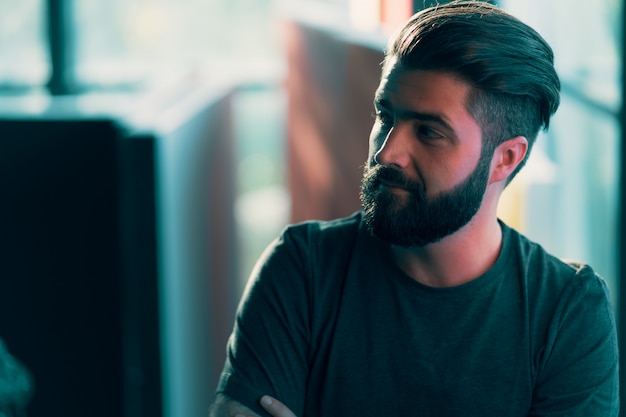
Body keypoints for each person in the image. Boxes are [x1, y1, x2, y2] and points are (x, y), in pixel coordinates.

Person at [209, 1, 620, 416]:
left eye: (428, 132)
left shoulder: (567, 311)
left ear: (505, 159)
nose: (387, 153)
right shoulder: (303, 267)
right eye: (385, 117)